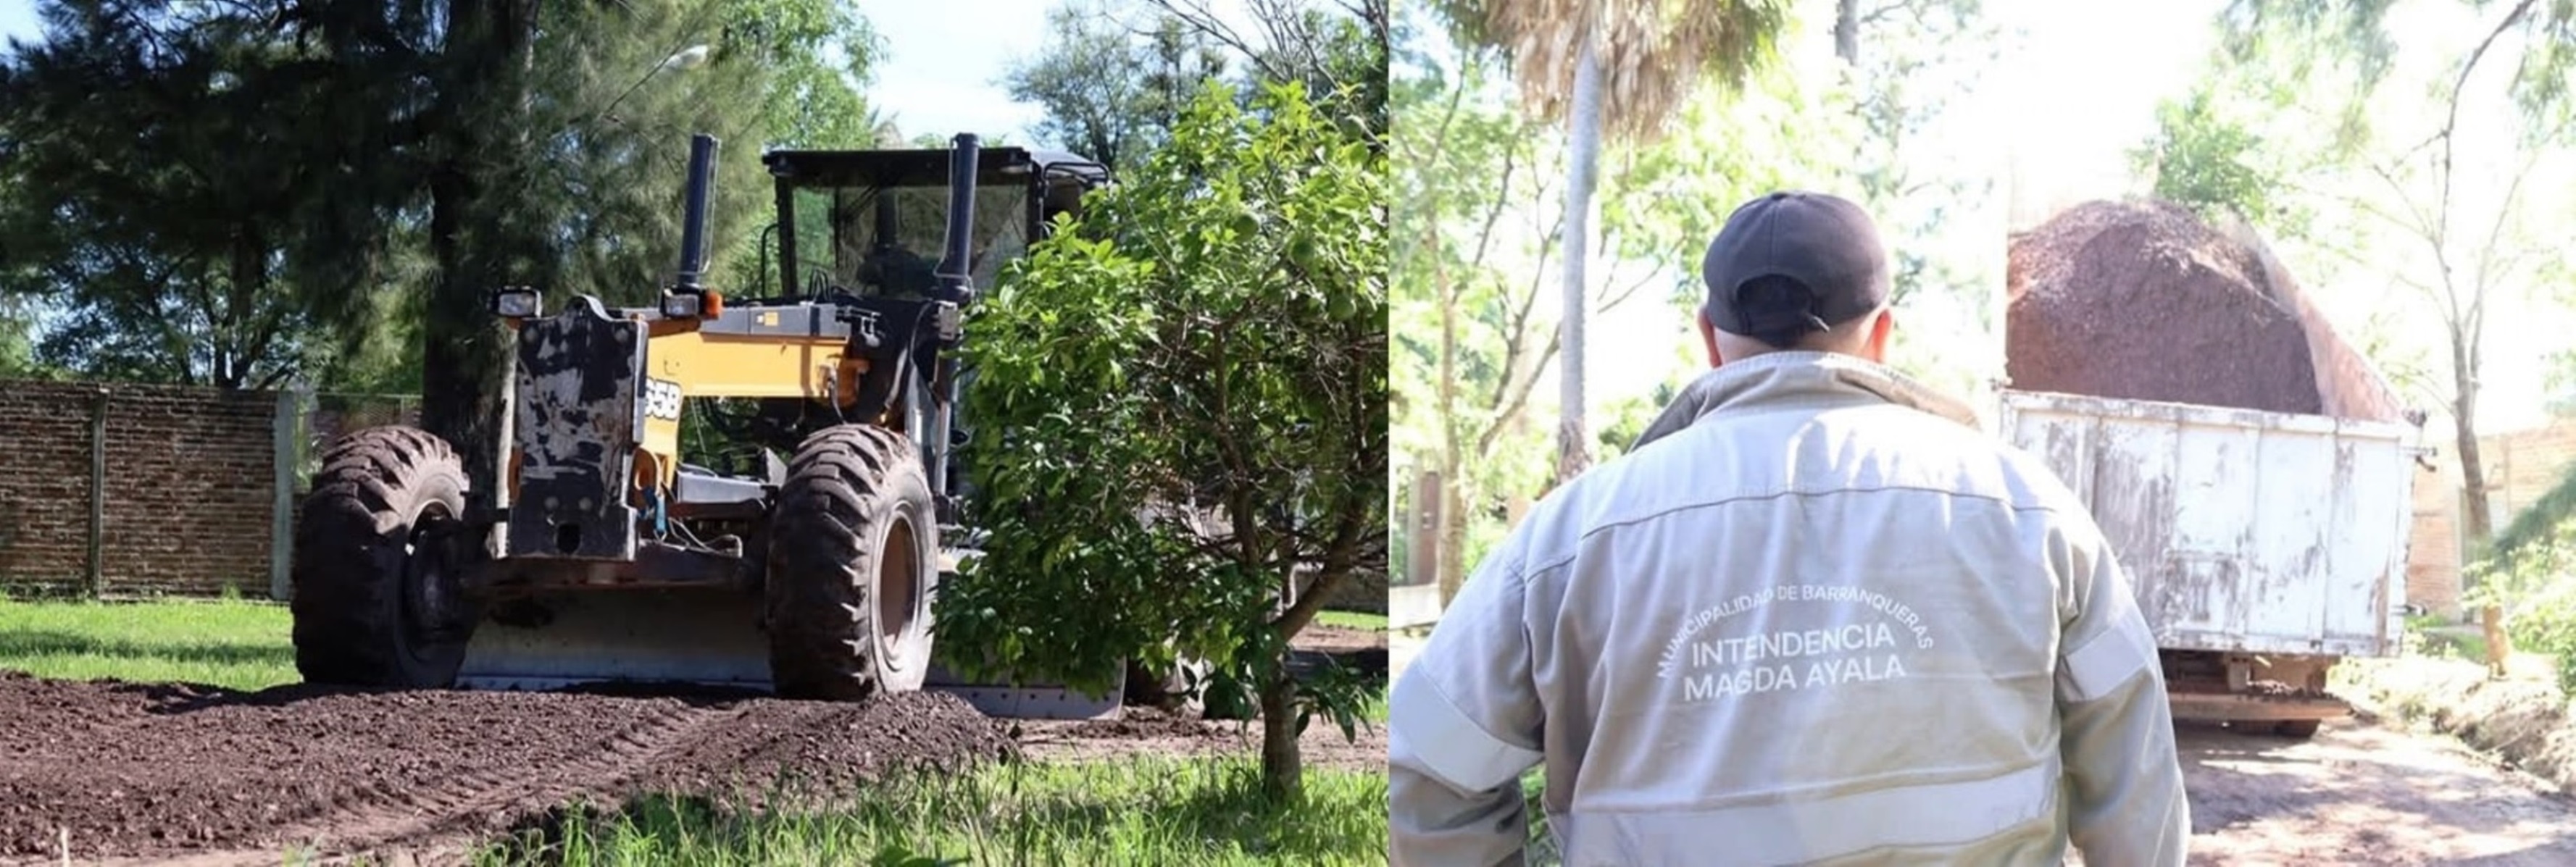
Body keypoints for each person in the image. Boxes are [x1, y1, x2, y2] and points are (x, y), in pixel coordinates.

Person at [1385, 190, 2189, 866]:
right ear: (1882, 334)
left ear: (1709, 339)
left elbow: (1431, 764)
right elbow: (2136, 791)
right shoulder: (2032, 513)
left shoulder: (1569, 538)